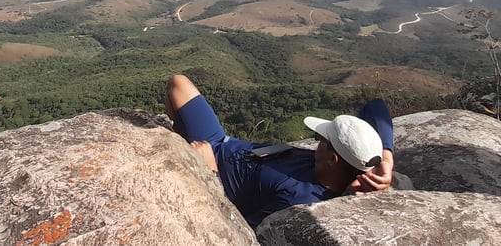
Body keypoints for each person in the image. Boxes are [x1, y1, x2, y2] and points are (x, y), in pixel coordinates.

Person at [164, 74, 395, 228]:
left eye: (320, 139)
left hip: (212, 167)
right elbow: (375, 106)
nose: (317, 142)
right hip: (221, 141)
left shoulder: (299, 200)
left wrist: (209, 173)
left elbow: (238, 229)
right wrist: (385, 158)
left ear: (333, 159)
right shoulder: (336, 165)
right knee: (179, 83)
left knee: (178, 88)